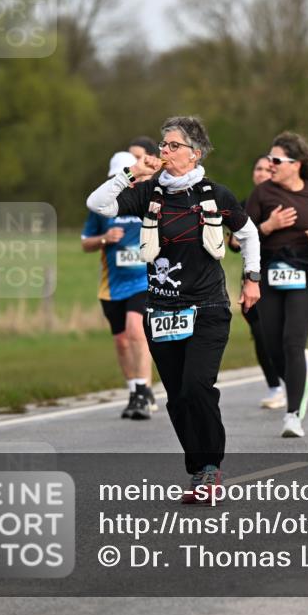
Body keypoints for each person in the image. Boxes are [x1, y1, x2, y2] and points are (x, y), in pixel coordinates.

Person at [87, 116, 261, 503]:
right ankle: (198, 470)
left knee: (198, 386)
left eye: (172, 145)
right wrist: (132, 172)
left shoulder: (215, 194)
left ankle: (210, 468)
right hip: (162, 310)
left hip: (208, 306)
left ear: (194, 153)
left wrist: (252, 279)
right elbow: (97, 204)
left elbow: (248, 233)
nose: (163, 152)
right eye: (162, 146)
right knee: (178, 396)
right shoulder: (147, 192)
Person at [245, 132, 308, 439]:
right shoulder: (261, 195)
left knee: (292, 340)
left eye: (276, 160)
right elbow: (239, 241)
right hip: (270, 270)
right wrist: (268, 227)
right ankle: (300, 381)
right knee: (272, 344)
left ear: (295, 164)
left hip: (306, 272)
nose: (270, 165)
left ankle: (293, 416)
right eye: (269, 159)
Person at [82, 138, 159, 420]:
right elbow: (84, 243)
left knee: (136, 330)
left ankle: (142, 390)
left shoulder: (144, 198)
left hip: (143, 280)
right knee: (122, 341)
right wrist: (104, 238)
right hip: (111, 286)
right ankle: (134, 391)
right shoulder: (103, 207)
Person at [227, 156, 285, 409]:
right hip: (253, 279)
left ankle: (292, 379)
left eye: (267, 169)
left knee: (284, 333)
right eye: (257, 168)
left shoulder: (286, 203)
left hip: (284, 277)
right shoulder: (244, 206)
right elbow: (234, 243)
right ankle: (275, 387)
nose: (261, 173)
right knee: (259, 333)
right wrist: (267, 227)